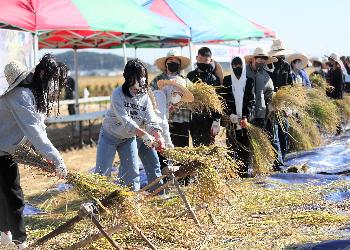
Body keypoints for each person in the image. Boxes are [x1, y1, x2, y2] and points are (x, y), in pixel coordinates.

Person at [0, 55, 68, 249]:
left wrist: (47, 156)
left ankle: (5, 234)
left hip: (5, 150)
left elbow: (39, 127)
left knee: (5, 193)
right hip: (1, 152)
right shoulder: (19, 96)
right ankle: (20, 241)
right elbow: (35, 132)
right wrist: (57, 159)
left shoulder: (28, 94)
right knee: (13, 196)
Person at [94, 59, 166, 192]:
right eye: (138, 76)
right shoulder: (118, 94)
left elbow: (150, 119)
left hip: (129, 139)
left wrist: (158, 136)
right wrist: (144, 134)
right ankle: (98, 201)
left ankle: (131, 202)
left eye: (143, 76)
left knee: (132, 172)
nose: (142, 79)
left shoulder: (145, 97)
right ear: (129, 78)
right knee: (102, 171)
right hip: (109, 136)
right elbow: (126, 121)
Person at [220, 55, 255, 177]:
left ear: (243, 66)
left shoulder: (249, 81)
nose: (236, 67)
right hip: (232, 121)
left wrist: (246, 117)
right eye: (234, 65)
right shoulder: (227, 80)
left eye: (239, 65)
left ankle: (244, 173)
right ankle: (232, 174)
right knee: (231, 147)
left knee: (245, 148)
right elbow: (223, 100)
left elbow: (251, 101)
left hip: (245, 123)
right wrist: (230, 115)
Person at [151, 50, 192, 147]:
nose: (173, 64)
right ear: (166, 64)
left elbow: (192, 99)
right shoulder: (157, 81)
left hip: (181, 120)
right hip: (161, 121)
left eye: (176, 63)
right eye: (170, 62)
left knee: (181, 153)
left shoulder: (186, 81)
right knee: (162, 151)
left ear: (179, 65)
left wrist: (179, 104)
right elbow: (150, 98)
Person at [153, 76, 194, 171]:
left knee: (156, 163)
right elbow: (162, 122)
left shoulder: (165, 100)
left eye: (180, 94)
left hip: (153, 133)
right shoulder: (160, 96)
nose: (179, 96)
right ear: (171, 90)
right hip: (143, 132)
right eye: (177, 93)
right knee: (154, 163)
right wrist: (168, 143)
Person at [187, 47, 223, 146]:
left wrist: (216, 120)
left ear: (210, 60)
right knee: (196, 147)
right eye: (200, 59)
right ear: (196, 58)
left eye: (206, 60)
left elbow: (218, 100)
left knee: (209, 148)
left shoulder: (213, 79)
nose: (202, 62)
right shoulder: (190, 76)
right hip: (194, 119)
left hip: (209, 119)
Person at [267, 39, 293, 166]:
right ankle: (278, 163)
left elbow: (290, 87)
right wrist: (270, 102)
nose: (279, 55)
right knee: (274, 134)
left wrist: (289, 106)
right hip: (271, 104)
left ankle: (282, 158)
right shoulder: (268, 66)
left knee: (284, 132)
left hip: (283, 104)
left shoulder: (286, 66)